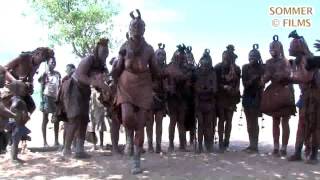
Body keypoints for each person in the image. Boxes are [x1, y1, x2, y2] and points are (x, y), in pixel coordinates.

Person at [112, 10, 160, 174]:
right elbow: (118, 68)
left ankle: (137, 159)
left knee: (140, 124)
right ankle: (129, 140)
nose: (136, 29)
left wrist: (162, 75)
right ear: (129, 28)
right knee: (127, 117)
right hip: (126, 86)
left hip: (144, 87)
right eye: (133, 26)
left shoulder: (149, 49)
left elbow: (155, 70)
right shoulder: (124, 47)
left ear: (144, 30)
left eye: (139, 27)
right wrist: (113, 71)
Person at [60, 38, 109, 159]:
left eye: (106, 52)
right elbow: (80, 75)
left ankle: (79, 150)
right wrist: (94, 82)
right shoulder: (89, 59)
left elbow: (101, 81)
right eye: (103, 52)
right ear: (97, 50)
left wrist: (103, 88)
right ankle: (66, 150)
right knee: (74, 118)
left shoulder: (102, 65)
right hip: (74, 89)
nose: (104, 54)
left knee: (83, 119)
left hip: (85, 92)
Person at [261, 35, 296, 157]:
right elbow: (266, 76)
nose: (272, 50)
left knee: (285, 120)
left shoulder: (286, 61)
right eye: (270, 48)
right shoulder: (268, 62)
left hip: (285, 91)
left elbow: (287, 74)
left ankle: (284, 148)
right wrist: (264, 79)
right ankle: (276, 147)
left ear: (280, 48)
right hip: (273, 92)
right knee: (275, 120)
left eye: (274, 48)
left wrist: (275, 74)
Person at [215, 45, 241, 152]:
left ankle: (226, 140)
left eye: (229, 57)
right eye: (225, 57)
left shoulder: (236, 69)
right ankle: (221, 141)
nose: (227, 59)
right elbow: (214, 82)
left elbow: (238, 83)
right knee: (221, 119)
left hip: (231, 97)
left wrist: (234, 90)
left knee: (229, 120)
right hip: (221, 96)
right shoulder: (218, 67)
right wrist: (223, 87)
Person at [242, 44, 264, 153]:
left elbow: (264, 82)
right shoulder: (245, 67)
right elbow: (245, 84)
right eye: (250, 56)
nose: (252, 58)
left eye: (254, 56)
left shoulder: (262, 67)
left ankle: (254, 145)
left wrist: (260, 81)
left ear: (258, 58)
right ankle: (252, 144)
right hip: (247, 96)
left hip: (257, 97)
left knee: (254, 122)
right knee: (249, 122)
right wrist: (252, 79)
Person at [194, 49, 217, 153]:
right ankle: (199, 145)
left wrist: (207, 89)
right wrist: (200, 89)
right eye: (203, 65)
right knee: (200, 124)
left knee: (208, 124)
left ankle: (208, 144)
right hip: (199, 102)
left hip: (209, 102)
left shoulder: (212, 74)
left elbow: (215, 89)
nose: (205, 67)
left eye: (207, 65)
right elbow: (194, 88)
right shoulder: (197, 73)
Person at [146, 43, 167, 153]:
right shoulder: (149, 69)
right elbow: (144, 82)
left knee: (159, 122)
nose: (161, 57)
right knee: (149, 122)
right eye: (159, 54)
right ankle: (150, 144)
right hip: (150, 99)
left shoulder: (166, 69)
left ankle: (158, 145)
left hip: (161, 98)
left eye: (163, 54)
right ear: (155, 56)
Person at [38, 58, 61, 147]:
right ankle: (45, 142)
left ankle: (56, 141)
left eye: (54, 62)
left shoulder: (57, 74)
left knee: (56, 120)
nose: (53, 64)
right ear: (48, 63)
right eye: (51, 62)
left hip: (55, 98)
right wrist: (42, 100)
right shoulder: (44, 74)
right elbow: (41, 85)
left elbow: (59, 86)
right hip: (46, 97)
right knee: (45, 119)